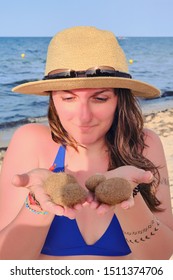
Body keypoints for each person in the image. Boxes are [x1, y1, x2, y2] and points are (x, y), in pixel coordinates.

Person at [0, 26, 173, 260]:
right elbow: (8, 262)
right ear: (52, 98)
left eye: (100, 98)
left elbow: (158, 259)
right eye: (68, 98)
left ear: (119, 100)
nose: (83, 116)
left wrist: (126, 196)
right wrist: (38, 204)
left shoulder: (145, 144)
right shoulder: (30, 141)